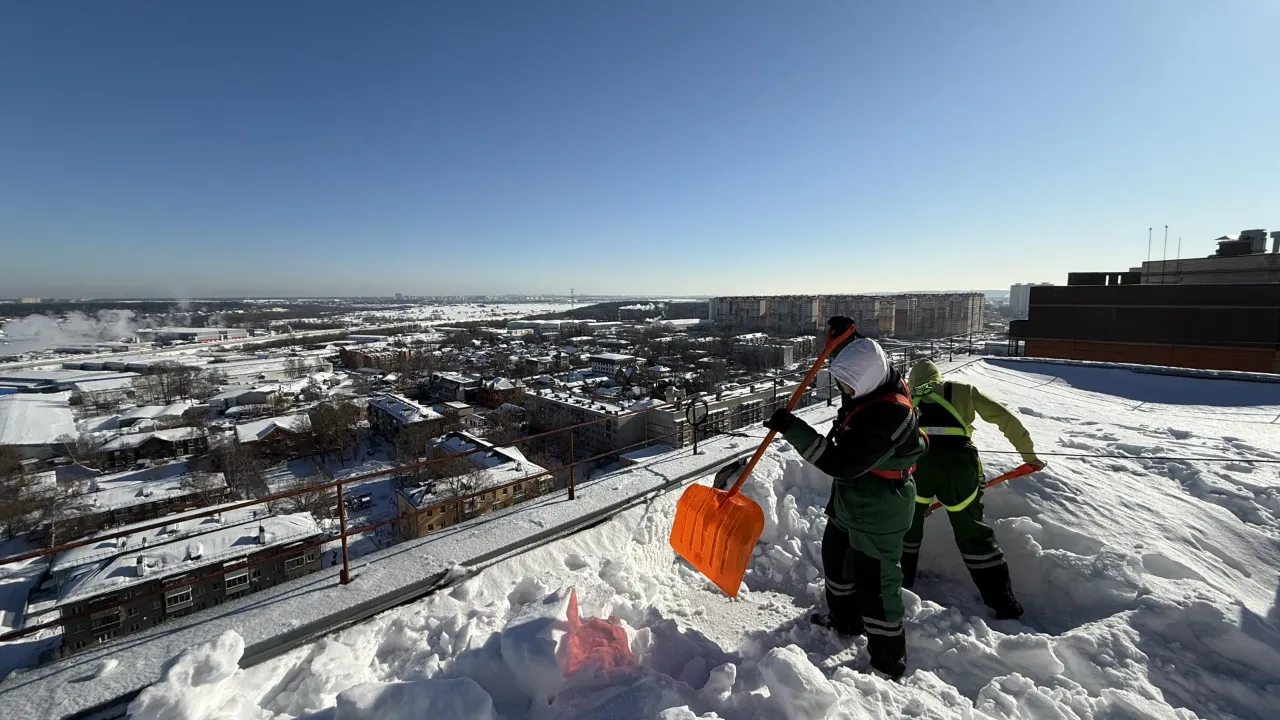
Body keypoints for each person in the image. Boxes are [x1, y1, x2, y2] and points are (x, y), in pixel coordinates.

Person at [762, 316, 927, 680]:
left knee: (877, 589)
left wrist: (792, 428)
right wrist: (847, 338)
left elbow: (841, 463)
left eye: (847, 387)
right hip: (853, 500)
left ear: (865, 383)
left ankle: (888, 662)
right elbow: (866, 357)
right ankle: (844, 619)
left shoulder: (889, 415)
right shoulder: (877, 375)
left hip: (879, 509)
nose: (843, 391)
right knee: (835, 559)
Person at [903, 359, 1044, 620]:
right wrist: (1029, 454)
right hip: (960, 467)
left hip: (918, 465)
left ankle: (900, 588)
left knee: (906, 529)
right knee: (973, 534)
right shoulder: (962, 391)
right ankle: (1003, 602)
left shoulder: (907, 398)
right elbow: (1005, 418)